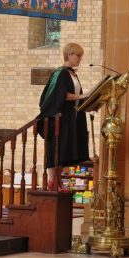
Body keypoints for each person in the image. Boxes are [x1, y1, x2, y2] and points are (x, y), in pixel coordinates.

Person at [37, 43, 89, 191]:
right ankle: (52, 181)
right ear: (69, 55)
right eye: (77, 55)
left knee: (63, 151)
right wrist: (82, 95)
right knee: (56, 149)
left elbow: (75, 96)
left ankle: (58, 181)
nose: (80, 59)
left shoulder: (72, 73)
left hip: (69, 119)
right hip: (58, 119)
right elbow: (60, 95)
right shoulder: (60, 73)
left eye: (81, 56)